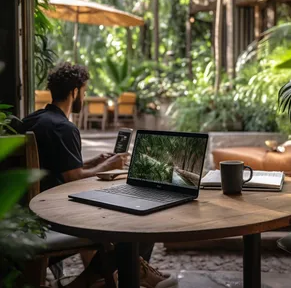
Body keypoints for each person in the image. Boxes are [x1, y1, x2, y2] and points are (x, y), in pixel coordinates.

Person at [23, 63, 178, 288]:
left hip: (32, 212)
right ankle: (110, 278)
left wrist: (96, 162)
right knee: (141, 223)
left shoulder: (35, 119)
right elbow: (74, 178)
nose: (84, 98)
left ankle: (123, 272)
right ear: (74, 92)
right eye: (84, 92)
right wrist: (110, 165)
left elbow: (59, 168)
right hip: (55, 217)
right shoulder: (64, 128)